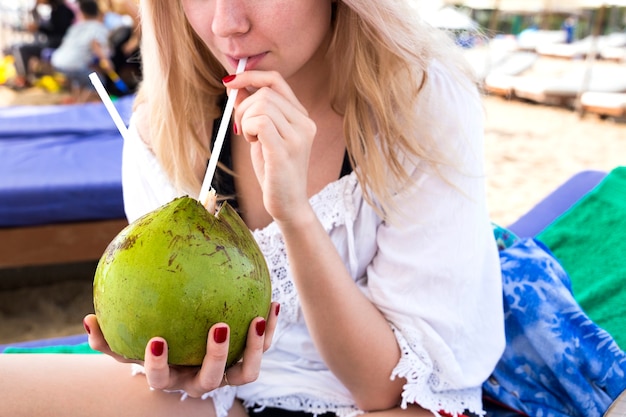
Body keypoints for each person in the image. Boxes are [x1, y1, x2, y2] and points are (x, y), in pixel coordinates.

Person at [0, 1, 506, 417]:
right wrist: (177, 362)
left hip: (381, 401)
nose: (226, 25)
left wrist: (294, 216)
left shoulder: (418, 101)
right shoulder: (166, 120)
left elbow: (382, 389)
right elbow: (173, 324)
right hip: (223, 398)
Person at [50, 0, 113, 103]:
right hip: (73, 65)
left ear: (81, 12)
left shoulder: (75, 27)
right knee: (98, 81)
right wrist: (106, 61)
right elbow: (95, 44)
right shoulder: (98, 27)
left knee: (79, 78)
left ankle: (77, 100)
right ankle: (80, 106)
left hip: (57, 61)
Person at [10, 0, 75, 85]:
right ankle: (24, 77)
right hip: (53, 43)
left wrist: (39, 28)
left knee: (20, 48)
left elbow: (57, 31)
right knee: (19, 47)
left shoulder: (62, 10)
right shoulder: (56, 9)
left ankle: (22, 79)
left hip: (56, 45)